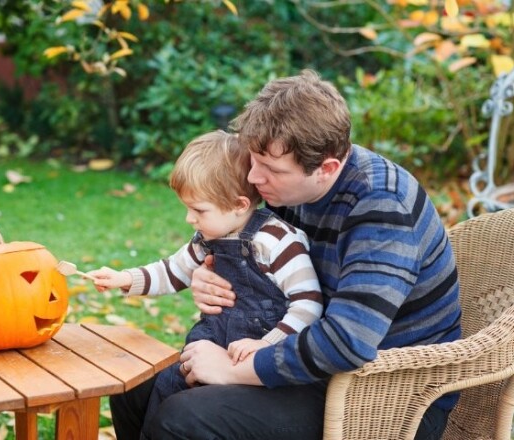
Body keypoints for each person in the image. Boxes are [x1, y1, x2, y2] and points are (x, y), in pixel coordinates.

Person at [110, 70, 462, 440]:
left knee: (183, 418)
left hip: (385, 394)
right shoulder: (288, 189)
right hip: (299, 353)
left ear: (327, 168)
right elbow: (256, 257)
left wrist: (232, 372)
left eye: (272, 169)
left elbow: (345, 343)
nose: (254, 177)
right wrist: (208, 275)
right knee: (132, 391)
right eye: (254, 160)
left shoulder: (382, 208)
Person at [88, 130, 323, 438]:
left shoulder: (277, 242)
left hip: (253, 365)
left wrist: (265, 345)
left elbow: (308, 304)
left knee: (182, 414)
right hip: (206, 349)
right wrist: (124, 279)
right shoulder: (207, 239)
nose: (189, 219)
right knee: (161, 390)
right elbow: (173, 271)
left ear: (239, 205)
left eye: (199, 210)